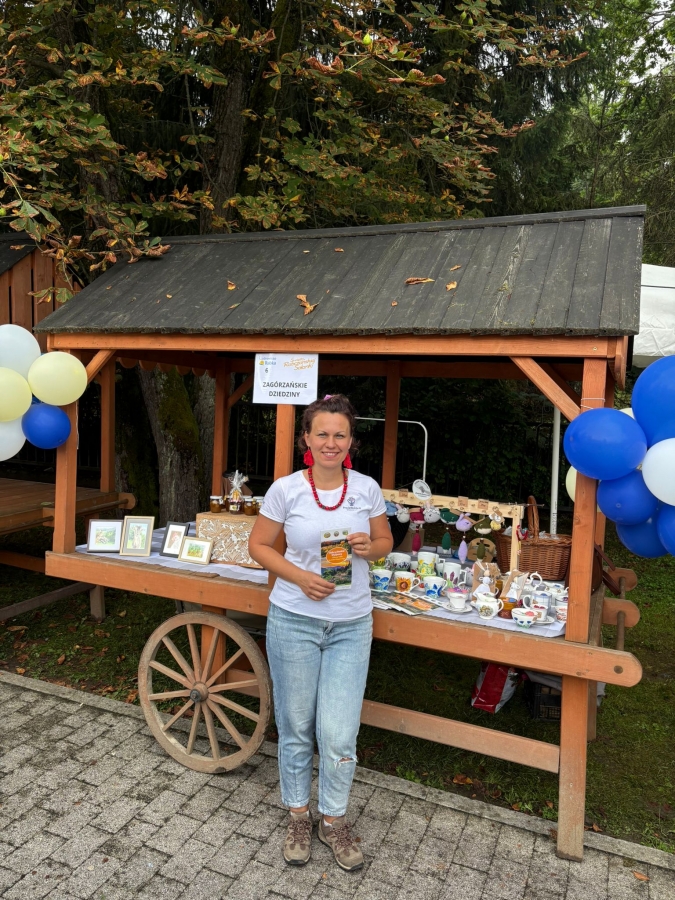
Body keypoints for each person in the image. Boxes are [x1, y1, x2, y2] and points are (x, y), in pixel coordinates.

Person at [248, 394, 393, 871]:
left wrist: (369, 547)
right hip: (294, 619)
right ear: (306, 439)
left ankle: (333, 820)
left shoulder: (366, 488)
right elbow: (258, 545)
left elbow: (386, 541)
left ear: (351, 441)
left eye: (340, 434)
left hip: (351, 624)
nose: (331, 442)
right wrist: (298, 577)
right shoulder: (286, 489)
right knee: (295, 725)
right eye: (322, 434)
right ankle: (297, 814)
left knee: (338, 732)